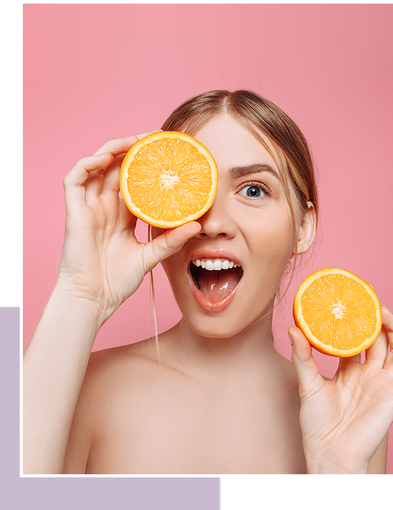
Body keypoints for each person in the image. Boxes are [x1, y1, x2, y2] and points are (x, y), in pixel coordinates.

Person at [23, 89, 393, 475]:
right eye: (190, 190)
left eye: (253, 190)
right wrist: (80, 293)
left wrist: (339, 468)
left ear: (303, 226)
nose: (214, 224)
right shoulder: (84, 388)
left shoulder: (347, 415)